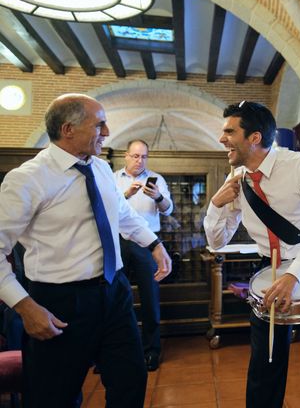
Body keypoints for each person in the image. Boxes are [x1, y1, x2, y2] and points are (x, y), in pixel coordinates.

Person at [0, 93, 172, 408]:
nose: (106, 133)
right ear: (68, 129)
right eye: (100, 125)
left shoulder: (102, 168)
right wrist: (25, 307)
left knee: (130, 380)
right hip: (59, 303)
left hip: (114, 291)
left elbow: (122, 214)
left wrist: (155, 243)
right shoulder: (27, 180)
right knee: (54, 396)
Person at [203, 101, 300, 408]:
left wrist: (295, 274)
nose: (222, 138)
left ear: (253, 138)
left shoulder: (298, 165)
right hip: (270, 269)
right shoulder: (236, 180)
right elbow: (216, 240)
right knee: (265, 365)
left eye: (229, 131)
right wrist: (216, 204)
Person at [114, 139, 173, 371]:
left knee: (150, 296)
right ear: (126, 156)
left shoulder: (157, 179)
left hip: (149, 244)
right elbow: (106, 209)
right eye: (135, 156)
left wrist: (157, 196)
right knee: (116, 296)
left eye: (144, 157)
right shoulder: (111, 178)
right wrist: (125, 195)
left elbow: (169, 209)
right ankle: (117, 349)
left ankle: (151, 350)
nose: (140, 161)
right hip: (118, 241)